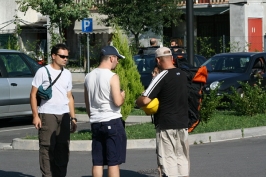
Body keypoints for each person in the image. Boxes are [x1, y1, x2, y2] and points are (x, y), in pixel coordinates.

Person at [136, 47, 189, 177]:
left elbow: (145, 100)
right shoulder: (183, 74)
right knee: (182, 157)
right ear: (172, 59)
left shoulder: (161, 76)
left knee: (169, 158)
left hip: (167, 124)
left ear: (158, 60)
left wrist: (137, 100)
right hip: (183, 123)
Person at [30, 43, 77, 177]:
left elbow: (70, 97)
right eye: (62, 56)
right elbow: (33, 94)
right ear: (53, 56)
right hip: (47, 114)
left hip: (64, 115)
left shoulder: (67, 73)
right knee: (47, 148)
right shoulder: (43, 71)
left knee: (63, 148)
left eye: (67, 57)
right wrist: (35, 116)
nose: (65, 59)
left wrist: (73, 118)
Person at [84, 46, 127, 177]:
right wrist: (123, 95)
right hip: (112, 120)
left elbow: (87, 104)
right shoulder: (112, 76)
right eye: (117, 59)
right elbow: (118, 101)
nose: (118, 62)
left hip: (96, 122)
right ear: (111, 58)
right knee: (113, 161)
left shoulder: (88, 76)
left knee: (98, 161)